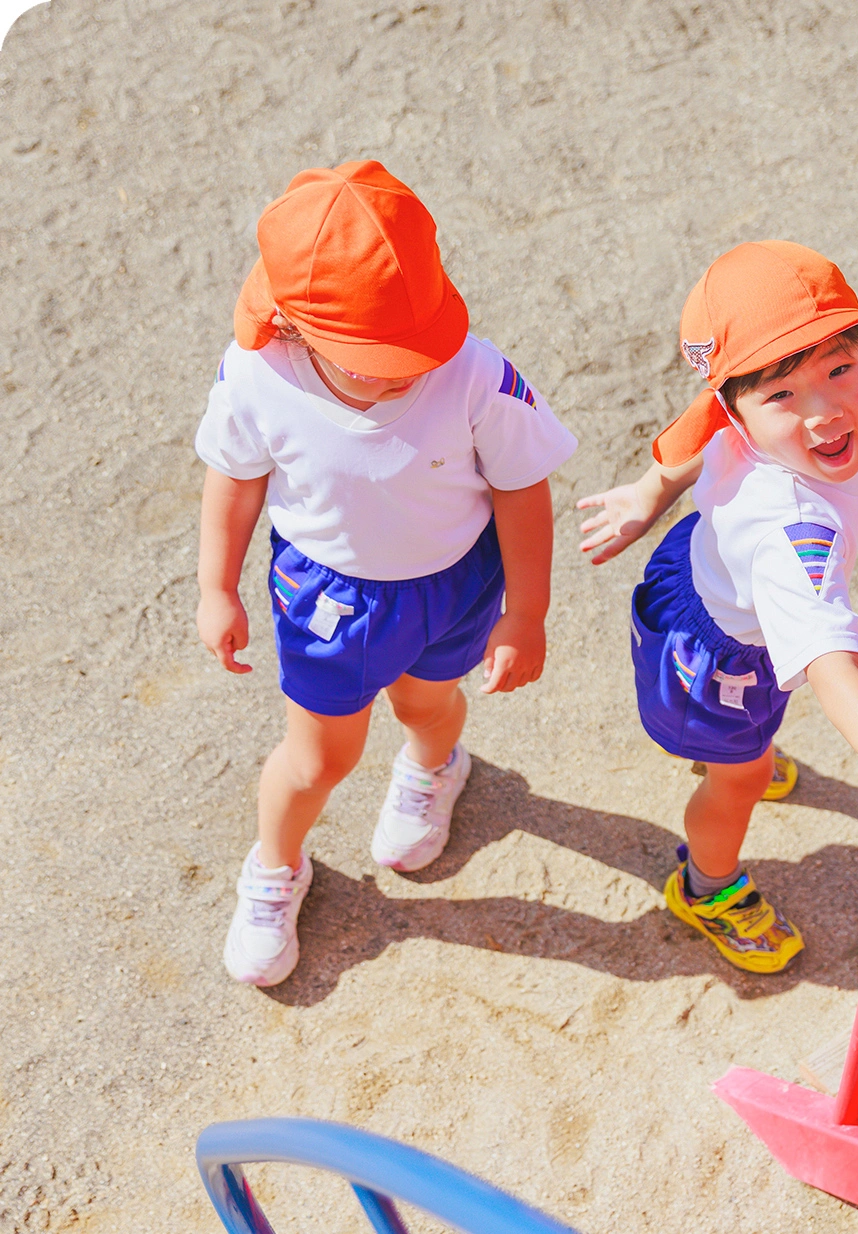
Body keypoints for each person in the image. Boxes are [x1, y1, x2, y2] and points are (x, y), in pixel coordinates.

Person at [195, 161, 576, 986]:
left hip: (453, 583)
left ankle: (435, 767)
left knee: (427, 703)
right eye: (377, 356)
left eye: (420, 342)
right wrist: (216, 585)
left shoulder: (474, 373)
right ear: (292, 322)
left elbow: (522, 488)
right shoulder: (258, 372)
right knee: (317, 757)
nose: (408, 367)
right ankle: (275, 867)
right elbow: (235, 477)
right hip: (327, 594)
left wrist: (527, 611)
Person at [577, 241, 858, 974]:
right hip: (721, 653)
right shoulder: (797, 533)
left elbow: (702, 426)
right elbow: (832, 671)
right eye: (783, 396)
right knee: (735, 780)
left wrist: (650, 492)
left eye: (839, 369)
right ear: (740, 408)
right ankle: (706, 886)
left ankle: (738, 753)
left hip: (705, 572)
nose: (826, 413)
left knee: (743, 750)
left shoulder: (751, 416)